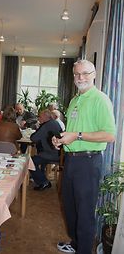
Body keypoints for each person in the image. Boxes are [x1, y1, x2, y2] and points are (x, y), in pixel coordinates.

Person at [52, 60, 115, 254]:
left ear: (94, 74)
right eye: (77, 74)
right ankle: (77, 244)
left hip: (88, 163)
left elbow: (110, 135)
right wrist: (61, 141)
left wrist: (77, 135)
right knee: (70, 208)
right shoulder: (75, 100)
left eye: (85, 73)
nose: (81, 77)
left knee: (85, 213)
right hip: (71, 160)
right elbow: (71, 131)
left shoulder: (100, 99)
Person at [29, 109, 62, 191]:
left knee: (30, 162)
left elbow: (33, 138)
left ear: (45, 117)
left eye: (39, 116)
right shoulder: (55, 122)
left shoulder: (46, 125)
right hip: (59, 152)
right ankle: (41, 177)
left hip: (52, 153)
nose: (38, 118)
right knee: (39, 155)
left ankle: (43, 182)